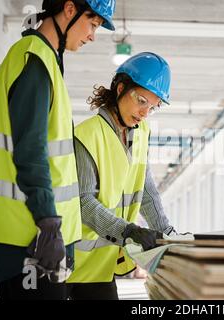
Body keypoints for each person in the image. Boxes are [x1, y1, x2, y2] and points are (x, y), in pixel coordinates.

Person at [0, 0, 116, 300]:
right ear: (70, 9)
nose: (93, 35)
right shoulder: (36, 62)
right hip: (31, 235)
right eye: (93, 24)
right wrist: (49, 223)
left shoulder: (41, 60)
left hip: (32, 232)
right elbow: (31, 151)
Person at [66, 52, 177, 300]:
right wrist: (127, 231)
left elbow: (147, 190)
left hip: (100, 267)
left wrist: (167, 233)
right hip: (68, 262)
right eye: (141, 101)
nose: (145, 112)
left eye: (153, 106)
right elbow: (83, 202)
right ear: (120, 88)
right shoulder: (88, 134)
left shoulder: (141, 133)